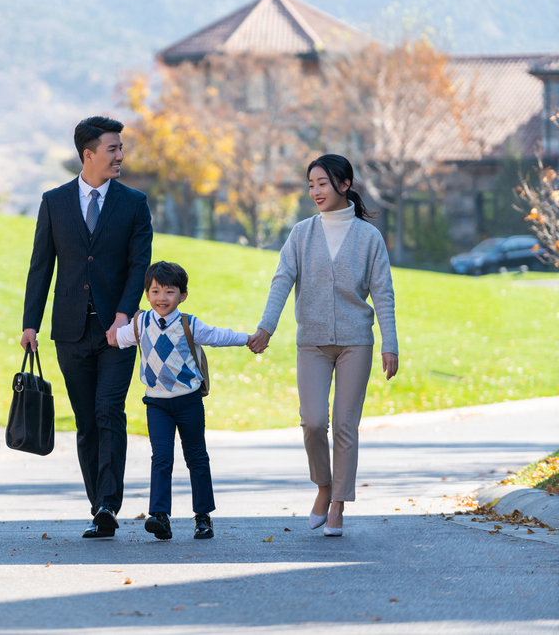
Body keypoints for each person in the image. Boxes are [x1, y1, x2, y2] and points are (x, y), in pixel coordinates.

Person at [248, 154, 398, 537]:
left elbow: (383, 293)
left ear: (344, 184)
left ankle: (337, 505)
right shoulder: (301, 233)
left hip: (355, 342)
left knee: (346, 425)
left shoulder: (368, 238)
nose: (315, 191)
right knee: (313, 422)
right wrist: (267, 326)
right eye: (311, 184)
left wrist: (389, 343)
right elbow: (281, 279)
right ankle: (323, 485)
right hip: (311, 342)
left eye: (322, 183)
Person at [21, 116, 153, 539]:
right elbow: (41, 265)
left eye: (120, 148)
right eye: (112, 149)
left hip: (118, 332)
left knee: (109, 410)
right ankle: (98, 503)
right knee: (86, 420)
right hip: (70, 330)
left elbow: (138, 265)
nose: (120, 155)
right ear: (88, 155)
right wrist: (30, 324)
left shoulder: (134, 203)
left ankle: (108, 505)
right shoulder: (54, 201)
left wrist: (123, 314)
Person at [113, 261, 263, 540]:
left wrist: (248, 339)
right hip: (156, 404)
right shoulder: (140, 324)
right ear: (147, 294)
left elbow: (219, 336)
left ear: (183, 295)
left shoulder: (188, 324)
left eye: (169, 292)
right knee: (161, 458)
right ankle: (160, 516)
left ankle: (203, 517)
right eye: (155, 291)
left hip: (188, 401)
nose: (162, 298)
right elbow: (114, 337)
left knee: (196, 457)